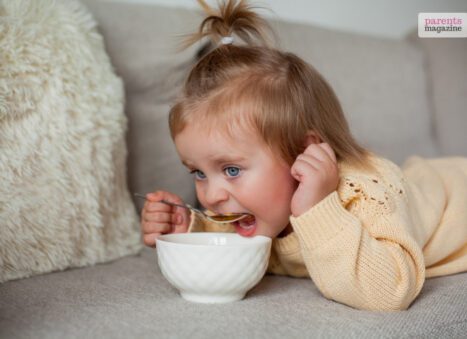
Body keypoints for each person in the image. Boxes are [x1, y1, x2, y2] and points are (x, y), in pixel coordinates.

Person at [140, 0, 467, 311]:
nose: (210, 196)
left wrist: (317, 210)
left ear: (304, 153)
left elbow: (391, 292)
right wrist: (188, 230)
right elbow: (233, 243)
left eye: (231, 170)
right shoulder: (256, 210)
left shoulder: (363, 194)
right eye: (198, 173)